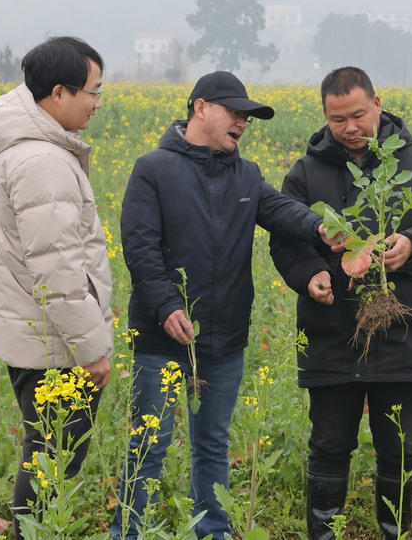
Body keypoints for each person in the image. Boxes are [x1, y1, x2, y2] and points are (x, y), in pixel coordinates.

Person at [112, 71, 341, 540]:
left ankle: (213, 532)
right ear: (200, 108)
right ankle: (128, 533)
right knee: (148, 446)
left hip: (224, 338)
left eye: (247, 117)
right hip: (161, 336)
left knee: (212, 445)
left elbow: (280, 211)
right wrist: (165, 306)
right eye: (234, 112)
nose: (242, 123)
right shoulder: (152, 169)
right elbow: (140, 249)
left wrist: (320, 227)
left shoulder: (247, 174)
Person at [269, 66, 412, 539]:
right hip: (333, 329)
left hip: (403, 331)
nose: (350, 128)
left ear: (378, 104)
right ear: (324, 117)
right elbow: (285, 239)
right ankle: (323, 533)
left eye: (358, 115)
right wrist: (309, 274)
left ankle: (392, 532)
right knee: (329, 442)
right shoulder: (305, 173)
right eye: (337, 120)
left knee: (399, 445)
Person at [0, 36, 114, 538]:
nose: (97, 103)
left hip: (40, 338)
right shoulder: (42, 162)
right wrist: (93, 347)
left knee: (47, 459)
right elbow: (57, 270)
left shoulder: (28, 148)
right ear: (59, 92)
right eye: (93, 92)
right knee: (53, 464)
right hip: (56, 345)